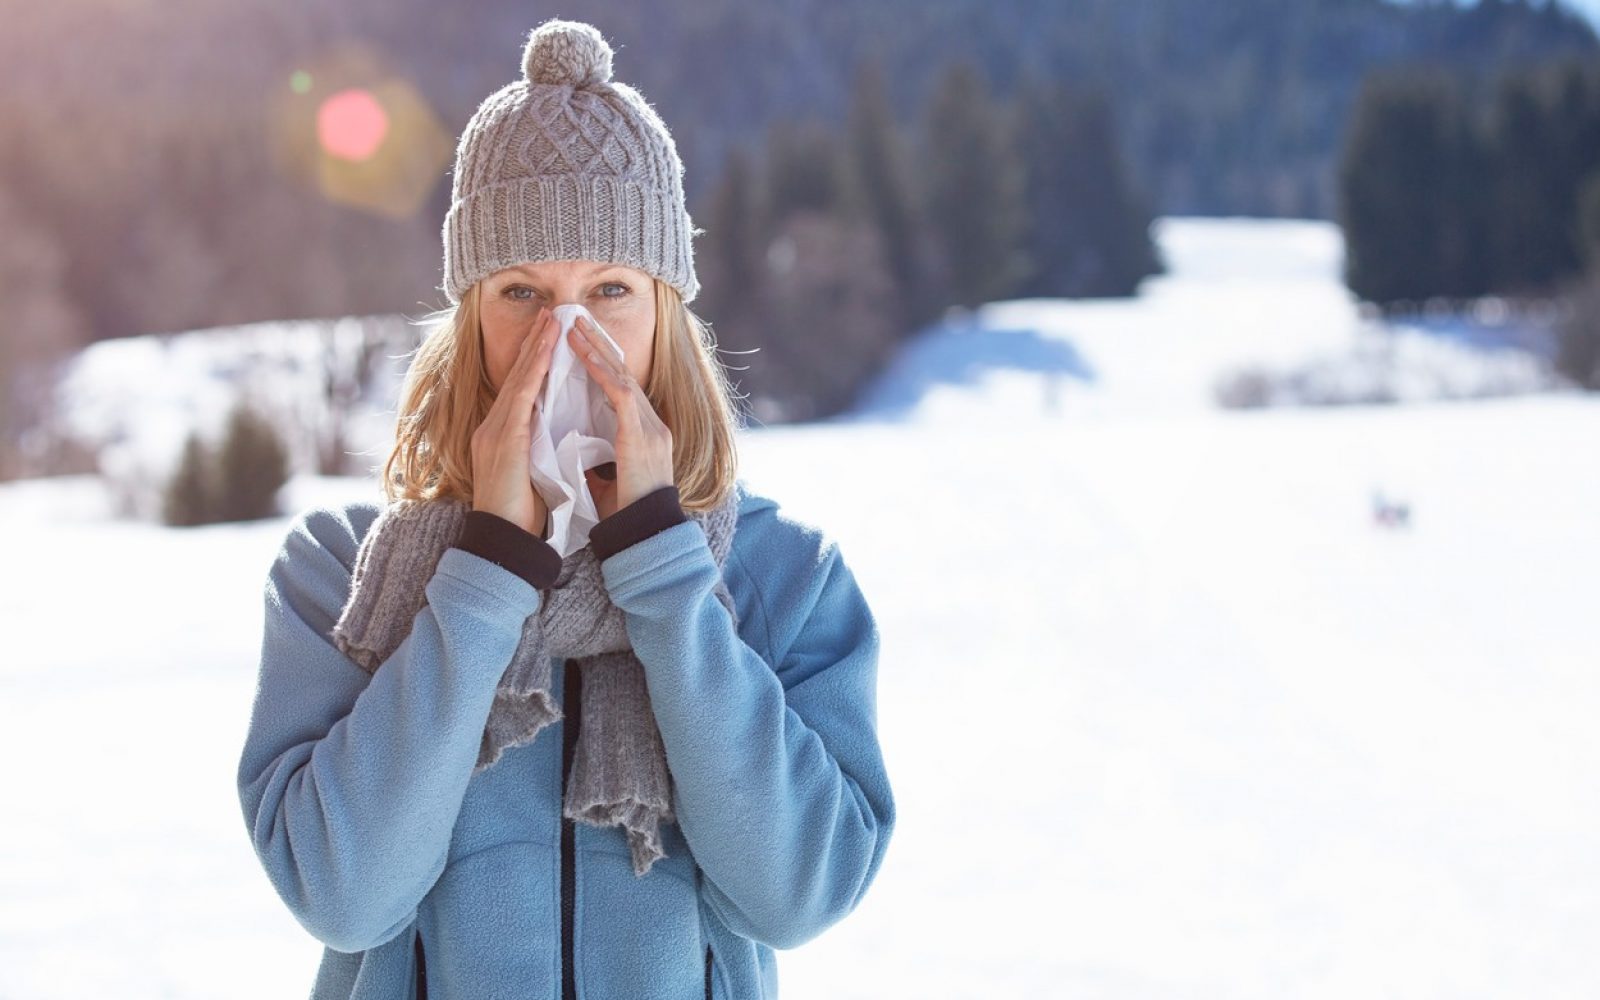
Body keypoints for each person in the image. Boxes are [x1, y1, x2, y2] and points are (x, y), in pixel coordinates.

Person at [235, 18, 895, 1000]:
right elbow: (345, 895)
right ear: (468, 317)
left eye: (611, 288)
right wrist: (487, 569)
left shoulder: (783, 580)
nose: (566, 334)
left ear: (666, 311)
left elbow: (798, 893)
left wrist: (666, 578)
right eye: (520, 291)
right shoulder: (340, 579)